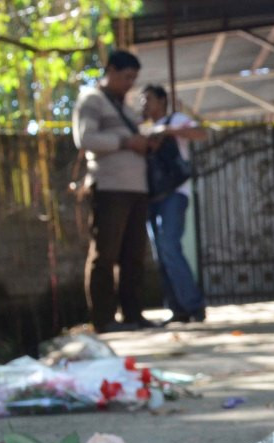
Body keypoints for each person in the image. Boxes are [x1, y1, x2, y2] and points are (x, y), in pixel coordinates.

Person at [71, 50, 154, 333]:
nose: (130, 83)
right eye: (126, 77)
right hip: (109, 187)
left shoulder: (127, 108)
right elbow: (85, 138)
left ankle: (134, 314)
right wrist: (125, 142)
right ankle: (104, 319)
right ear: (111, 71)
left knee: (134, 254)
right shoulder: (92, 100)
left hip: (136, 188)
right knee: (105, 254)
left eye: (134, 78)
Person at [140, 84, 208, 325]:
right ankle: (177, 308)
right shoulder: (143, 128)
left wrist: (168, 130)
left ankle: (194, 304)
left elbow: (201, 133)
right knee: (161, 253)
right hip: (152, 196)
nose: (144, 104)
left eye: (147, 99)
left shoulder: (176, 119)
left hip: (176, 193)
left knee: (170, 245)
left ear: (162, 101)